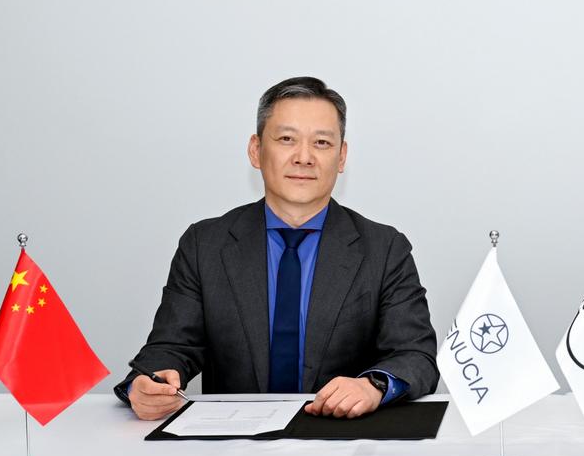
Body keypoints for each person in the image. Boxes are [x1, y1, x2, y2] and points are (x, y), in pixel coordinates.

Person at [116, 77, 438, 420]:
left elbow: (416, 356)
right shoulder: (204, 245)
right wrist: (145, 386)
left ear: (341, 156)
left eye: (322, 143)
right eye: (287, 139)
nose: (304, 157)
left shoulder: (384, 249)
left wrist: (372, 385)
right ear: (256, 150)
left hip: (341, 436)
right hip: (232, 440)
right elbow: (170, 348)